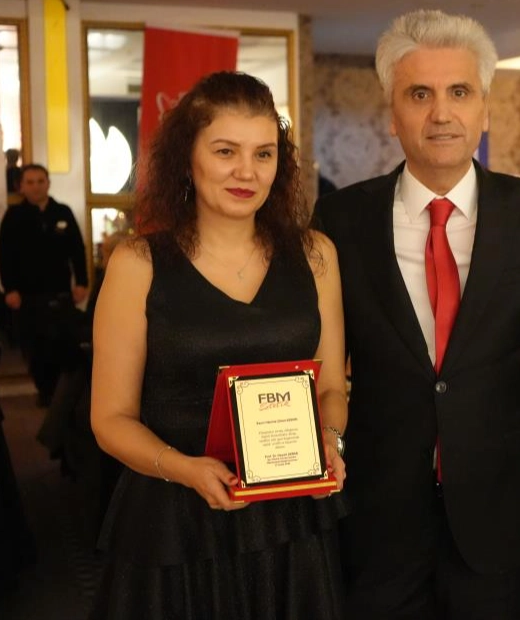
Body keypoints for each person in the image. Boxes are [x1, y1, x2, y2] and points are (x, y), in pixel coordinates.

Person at [316, 9, 520, 620]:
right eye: (420, 94)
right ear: (393, 113)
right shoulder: (340, 221)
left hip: (503, 517)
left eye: (459, 92)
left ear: (485, 108)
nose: (441, 113)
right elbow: (324, 366)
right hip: (378, 520)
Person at [89, 71, 347, 619]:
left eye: (263, 154)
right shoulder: (138, 263)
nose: (246, 172)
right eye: (226, 151)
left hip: (288, 514)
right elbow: (109, 419)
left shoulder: (316, 254)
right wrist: (185, 469)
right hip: (174, 515)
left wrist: (330, 442)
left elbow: (331, 388)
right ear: (188, 158)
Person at [0, 163, 88, 406]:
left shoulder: (63, 212)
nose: (36, 186)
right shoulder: (14, 216)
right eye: (30, 182)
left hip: (60, 292)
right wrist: (10, 289)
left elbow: (77, 250)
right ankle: (46, 393)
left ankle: (63, 397)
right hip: (27, 296)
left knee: (64, 345)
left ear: (48, 183)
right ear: (21, 186)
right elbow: (5, 255)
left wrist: (81, 282)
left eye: (40, 181)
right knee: (35, 348)